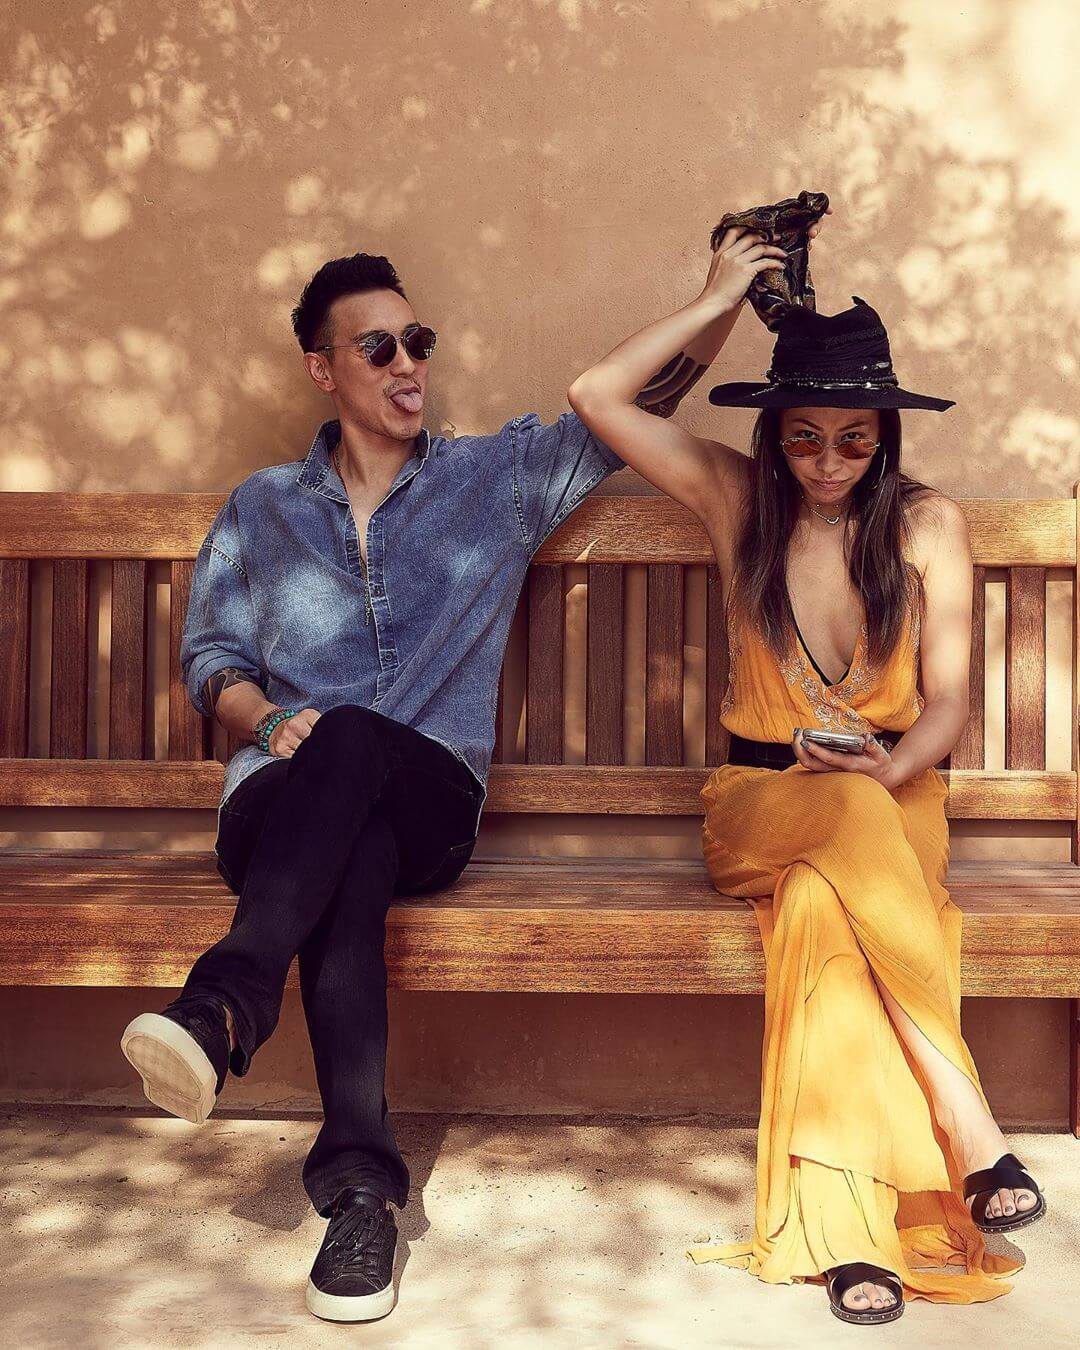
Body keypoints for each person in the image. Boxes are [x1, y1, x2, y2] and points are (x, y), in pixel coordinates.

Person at [119, 252, 724, 1323]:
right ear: (323, 370)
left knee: (358, 742)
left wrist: (719, 299)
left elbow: (644, 397)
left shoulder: (493, 481)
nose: (409, 365)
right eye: (380, 347)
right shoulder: (262, 507)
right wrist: (271, 720)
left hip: (429, 797)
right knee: (347, 855)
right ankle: (361, 1197)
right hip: (280, 802)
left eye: (419, 343)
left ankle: (224, 1005)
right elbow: (211, 656)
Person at [567, 220, 1046, 1326]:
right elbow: (598, 395)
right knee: (838, 838)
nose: (828, 465)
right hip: (760, 805)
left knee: (826, 916)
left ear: (886, 435)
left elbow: (947, 706)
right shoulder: (739, 500)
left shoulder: (928, 525)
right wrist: (716, 298)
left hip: (892, 802)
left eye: (854, 442)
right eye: (804, 440)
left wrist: (883, 770)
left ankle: (847, 1244)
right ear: (774, 432)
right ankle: (968, 1125)